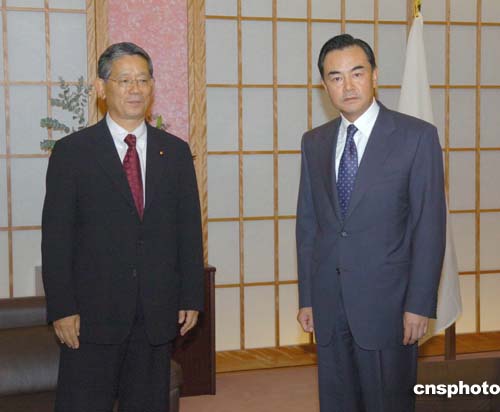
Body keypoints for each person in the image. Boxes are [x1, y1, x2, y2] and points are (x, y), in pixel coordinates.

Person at [42, 42, 204, 412]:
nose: (135, 89)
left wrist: (191, 296)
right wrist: (62, 307)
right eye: (124, 80)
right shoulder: (73, 152)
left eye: (143, 80)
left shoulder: (175, 152)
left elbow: (188, 231)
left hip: (155, 312)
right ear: (102, 88)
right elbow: (56, 238)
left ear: (152, 87)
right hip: (91, 315)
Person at [296, 34, 446, 412]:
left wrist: (419, 304)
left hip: (389, 306)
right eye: (335, 77)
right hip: (329, 303)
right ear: (324, 85)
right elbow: (309, 226)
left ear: (375, 76)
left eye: (357, 73)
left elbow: (429, 227)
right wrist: (307, 298)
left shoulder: (416, 137)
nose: (347, 86)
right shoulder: (314, 142)